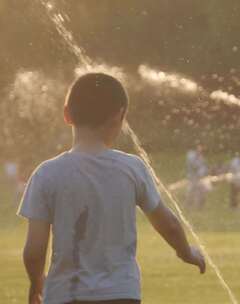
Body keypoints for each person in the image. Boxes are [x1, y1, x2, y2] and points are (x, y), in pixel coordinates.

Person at [18, 73, 205, 304]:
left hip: (65, 295)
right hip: (121, 293)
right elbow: (170, 225)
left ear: (67, 114)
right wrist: (186, 252)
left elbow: (34, 250)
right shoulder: (132, 168)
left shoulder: (47, 174)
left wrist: (37, 283)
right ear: (120, 116)